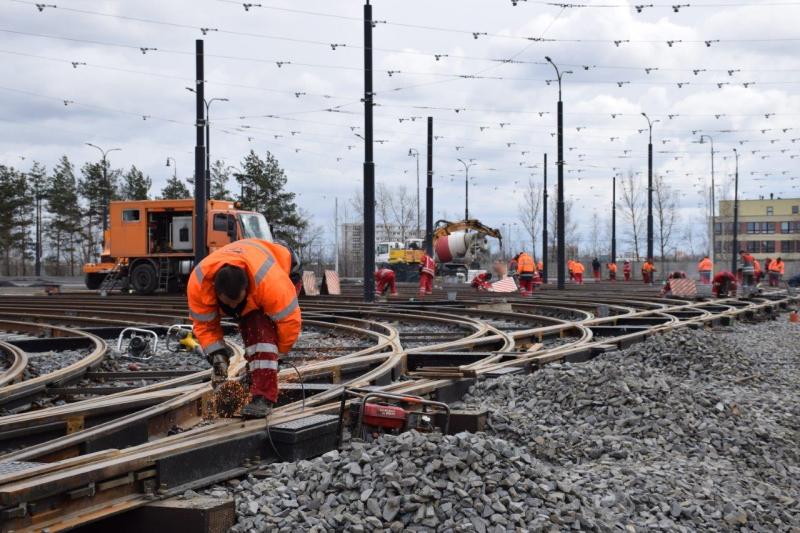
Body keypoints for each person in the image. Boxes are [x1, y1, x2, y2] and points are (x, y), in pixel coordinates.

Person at [188, 239, 302, 419]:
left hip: (286, 269)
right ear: (215, 293)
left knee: (259, 328)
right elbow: (204, 325)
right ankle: (256, 377)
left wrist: (277, 357)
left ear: (248, 289)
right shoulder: (199, 284)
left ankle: (263, 397)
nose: (234, 308)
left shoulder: (271, 285)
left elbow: (290, 322)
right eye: (228, 304)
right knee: (253, 331)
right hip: (253, 259)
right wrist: (217, 355)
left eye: (238, 303)